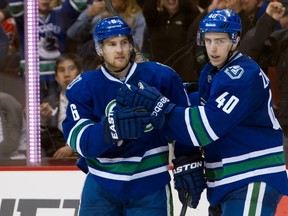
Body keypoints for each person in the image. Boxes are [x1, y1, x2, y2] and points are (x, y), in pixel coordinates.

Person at [114, 8, 288, 215]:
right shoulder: (212, 72)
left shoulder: (242, 75)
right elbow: (193, 103)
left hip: (252, 176)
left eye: (220, 41)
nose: (212, 48)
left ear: (236, 40)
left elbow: (203, 127)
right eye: (208, 40)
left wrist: (160, 106)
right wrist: (166, 91)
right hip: (227, 182)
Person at [62, 16, 205, 215]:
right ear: (99, 49)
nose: (119, 50)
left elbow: (183, 123)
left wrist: (187, 159)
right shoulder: (84, 85)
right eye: (111, 44)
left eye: (124, 43)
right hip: (101, 185)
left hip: (149, 183)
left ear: (131, 45)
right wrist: (110, 129)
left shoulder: (161, 77)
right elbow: (79, 140)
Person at [8, 0, 88, 100]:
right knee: (35, 114)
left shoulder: (61, 13)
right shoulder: (25, 16)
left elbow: (79, 3)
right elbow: (15, 5)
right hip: (33, 80)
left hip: (59, 79)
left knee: (60, 112)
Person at [142, 0, 201, 82]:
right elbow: (148, 7)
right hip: (160, 76)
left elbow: (191, 8)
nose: (171, 0)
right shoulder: (154, 19)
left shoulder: (189, 17)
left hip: (185, 77)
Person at [40, 53, 82, 158]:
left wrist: (72, 147)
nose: (66, 74)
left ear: (81, 73)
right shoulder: (49, 103)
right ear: (56, 77)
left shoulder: (92, 99)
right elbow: (44, 143)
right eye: (62, 70)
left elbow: (99, 131)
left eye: (71, 69)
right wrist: (42, 122)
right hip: (57, 162)